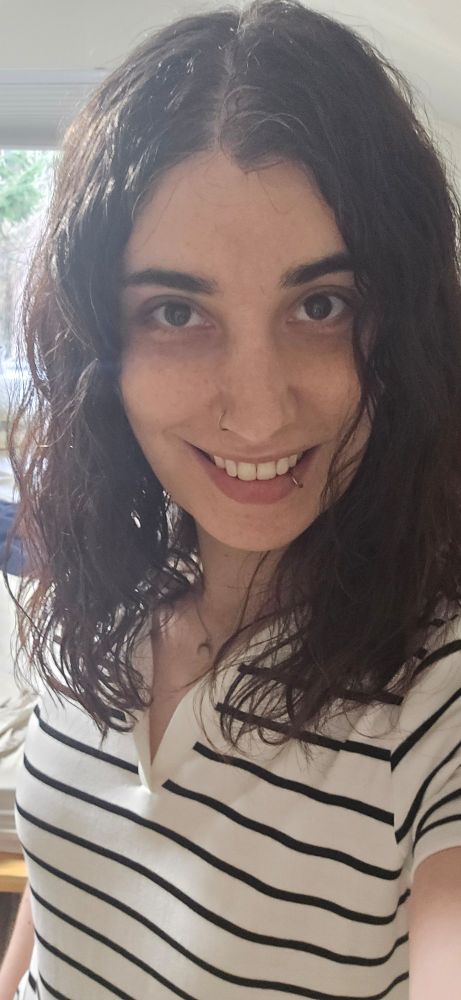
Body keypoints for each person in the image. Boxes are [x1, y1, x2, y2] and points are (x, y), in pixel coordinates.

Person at [1, 1, 461, 996]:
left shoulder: (434, 695)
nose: (256, 413)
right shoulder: (121, 581)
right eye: (176, 311)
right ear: (102, 353)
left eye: (320, 305)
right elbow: (64, 888)